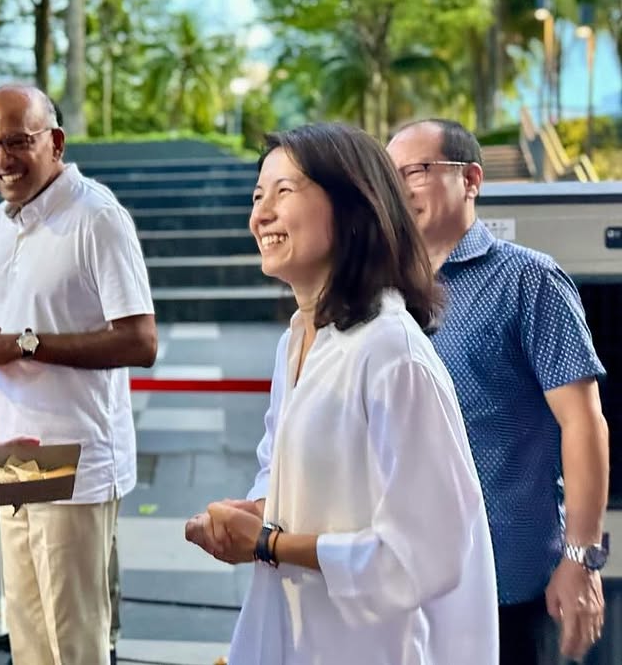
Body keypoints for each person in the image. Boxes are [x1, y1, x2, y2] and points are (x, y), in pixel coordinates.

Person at [186, 123, 498, 664]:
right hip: (301, 634)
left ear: (354, 205)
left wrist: (267, 544)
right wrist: (252, 513)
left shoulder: (392, 355)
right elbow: (282, 470)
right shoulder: (299, 339)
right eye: (258, 196)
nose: (260, 214)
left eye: (284, 192)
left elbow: (424, 554)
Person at [387, 119, 608, 665]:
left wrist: (580, 560)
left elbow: (583, 423)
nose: (401, 189)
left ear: (471, 180)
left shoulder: (528, 280)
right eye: (389, 177)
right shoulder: (381, 290)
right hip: (400, 577)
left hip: (505, 580)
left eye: (417, 171)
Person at [0, 84, 158, 665]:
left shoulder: (97, 217)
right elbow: (1, 329)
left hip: (77, 459)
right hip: (11, 458)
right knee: (27, 635)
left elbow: (141, 341)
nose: (1, 160)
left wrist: (19, 345)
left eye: (18, 141)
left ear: (56, 141)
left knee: (75, 640)